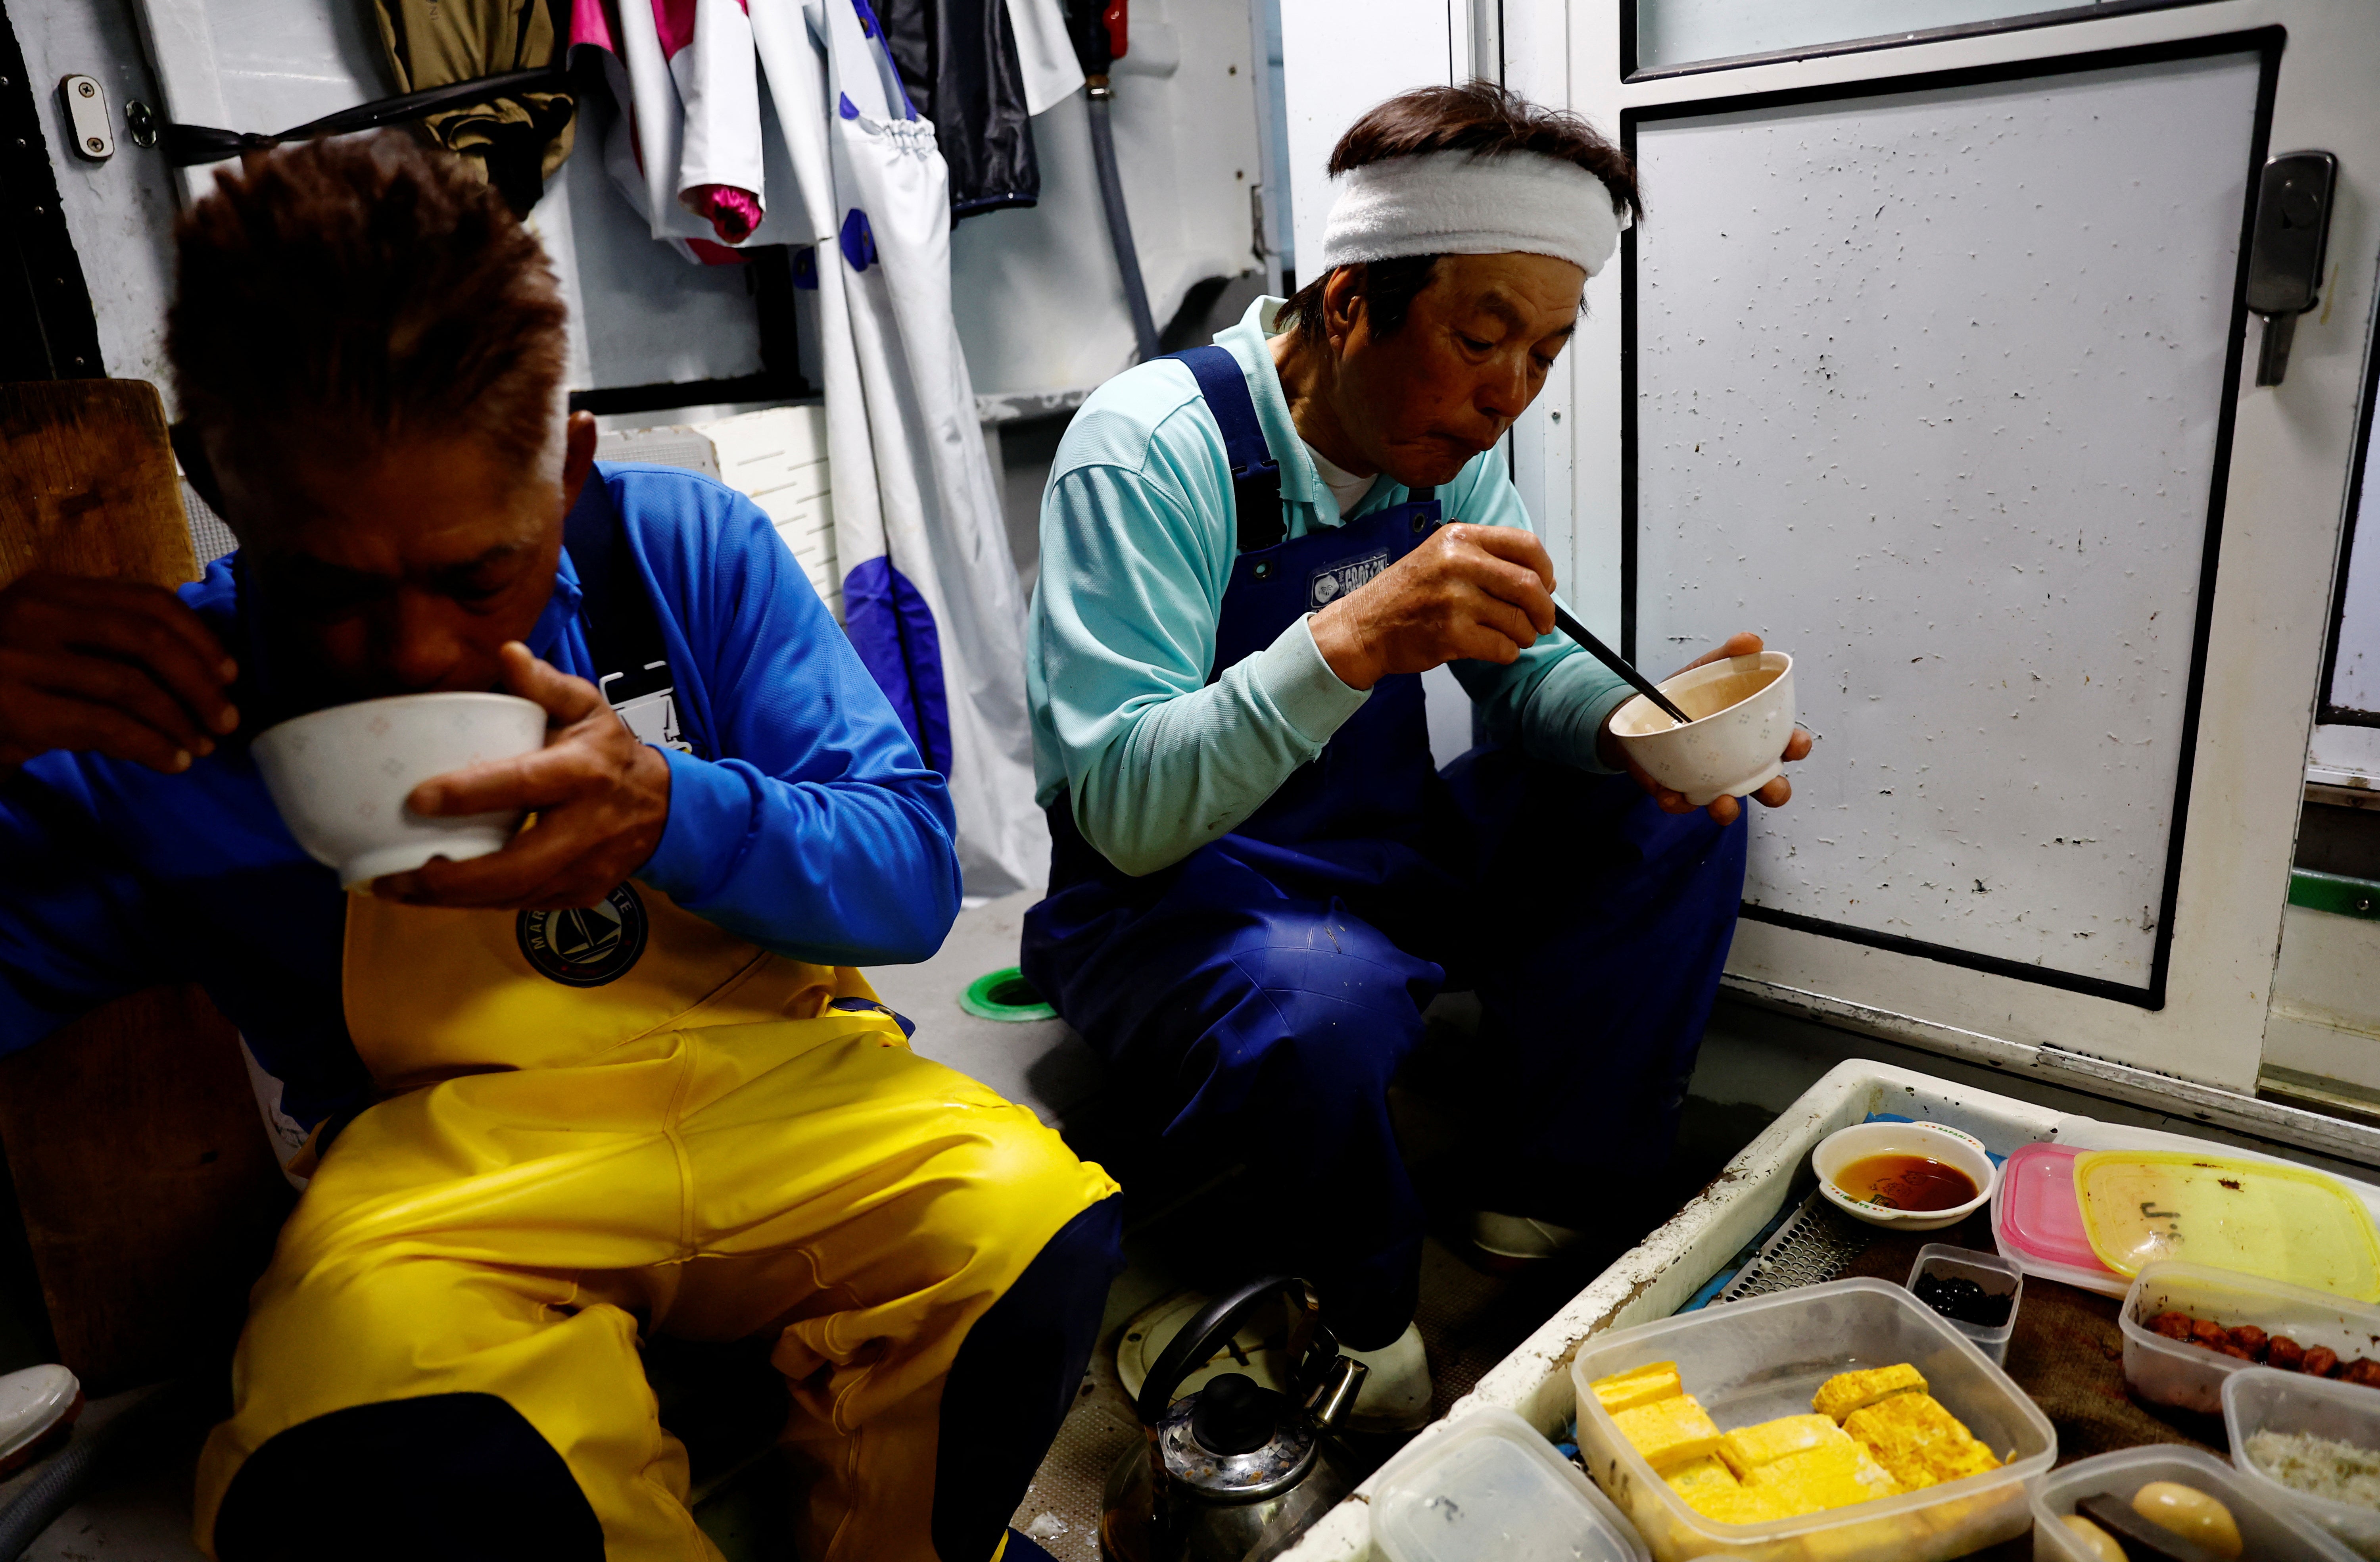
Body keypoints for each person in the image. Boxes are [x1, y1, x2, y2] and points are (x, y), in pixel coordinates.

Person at [0, 133, 1119, 1562]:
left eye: (480, 572)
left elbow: (906, 872)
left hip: (788, 1090)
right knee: (361, 1448)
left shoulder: (681, 554)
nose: (412, 650)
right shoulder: (159, 716)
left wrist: (677, 805)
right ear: (218, 474)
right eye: (325, 589)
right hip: (451, 1177)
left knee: (1027, 1231)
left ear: (569, 460)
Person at [1020, 83, 1810, 1428]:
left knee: (1684, 815)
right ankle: (1353, 1310)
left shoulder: (1445, 450)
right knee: (1314, 996)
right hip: (1170, 905)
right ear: (1347, 305)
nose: (1508, 397)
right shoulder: (1152, 451)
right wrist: (1349, 640)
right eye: (1479, 338)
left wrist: (1642, 731)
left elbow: (1526, 680)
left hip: (1378, 859)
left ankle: (1552, 1189)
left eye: (1545, 355)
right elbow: (1123, 809)